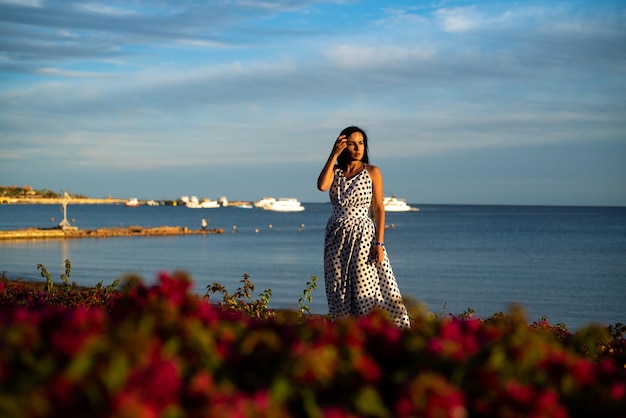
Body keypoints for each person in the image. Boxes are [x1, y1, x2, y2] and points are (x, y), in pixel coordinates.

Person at [317, 126, 410, 328]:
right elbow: (322, 186)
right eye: (351, 143)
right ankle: (346, 333)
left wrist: (379, 243)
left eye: (361, 143)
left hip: (363, 235)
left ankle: (375, 332)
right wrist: (333, 155)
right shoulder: (335, 172)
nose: (358, 148)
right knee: (337, 288)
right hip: (336, 236)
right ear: (342, 145)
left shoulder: (372, 172)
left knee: (364, 288)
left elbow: (378, 209)